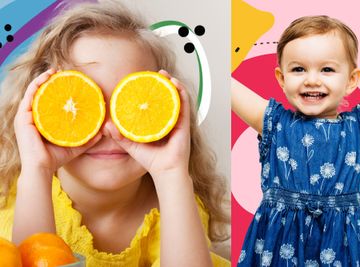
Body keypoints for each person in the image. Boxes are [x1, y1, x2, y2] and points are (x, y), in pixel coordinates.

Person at [0, 1, 230, 266]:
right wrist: (37, 168)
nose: (109, 129)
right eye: (82, 104)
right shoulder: (19, 199)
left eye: (129, 104)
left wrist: (171, 173)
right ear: (43, 109)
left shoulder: (173, 204)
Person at [231, 15, 360, 266]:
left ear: (351, 80)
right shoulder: (274, 123)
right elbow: (226, 84)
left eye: (327, 69)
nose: (312, 79)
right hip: (278, 249)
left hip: (343, 249)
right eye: (298, 69)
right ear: (282, 78)